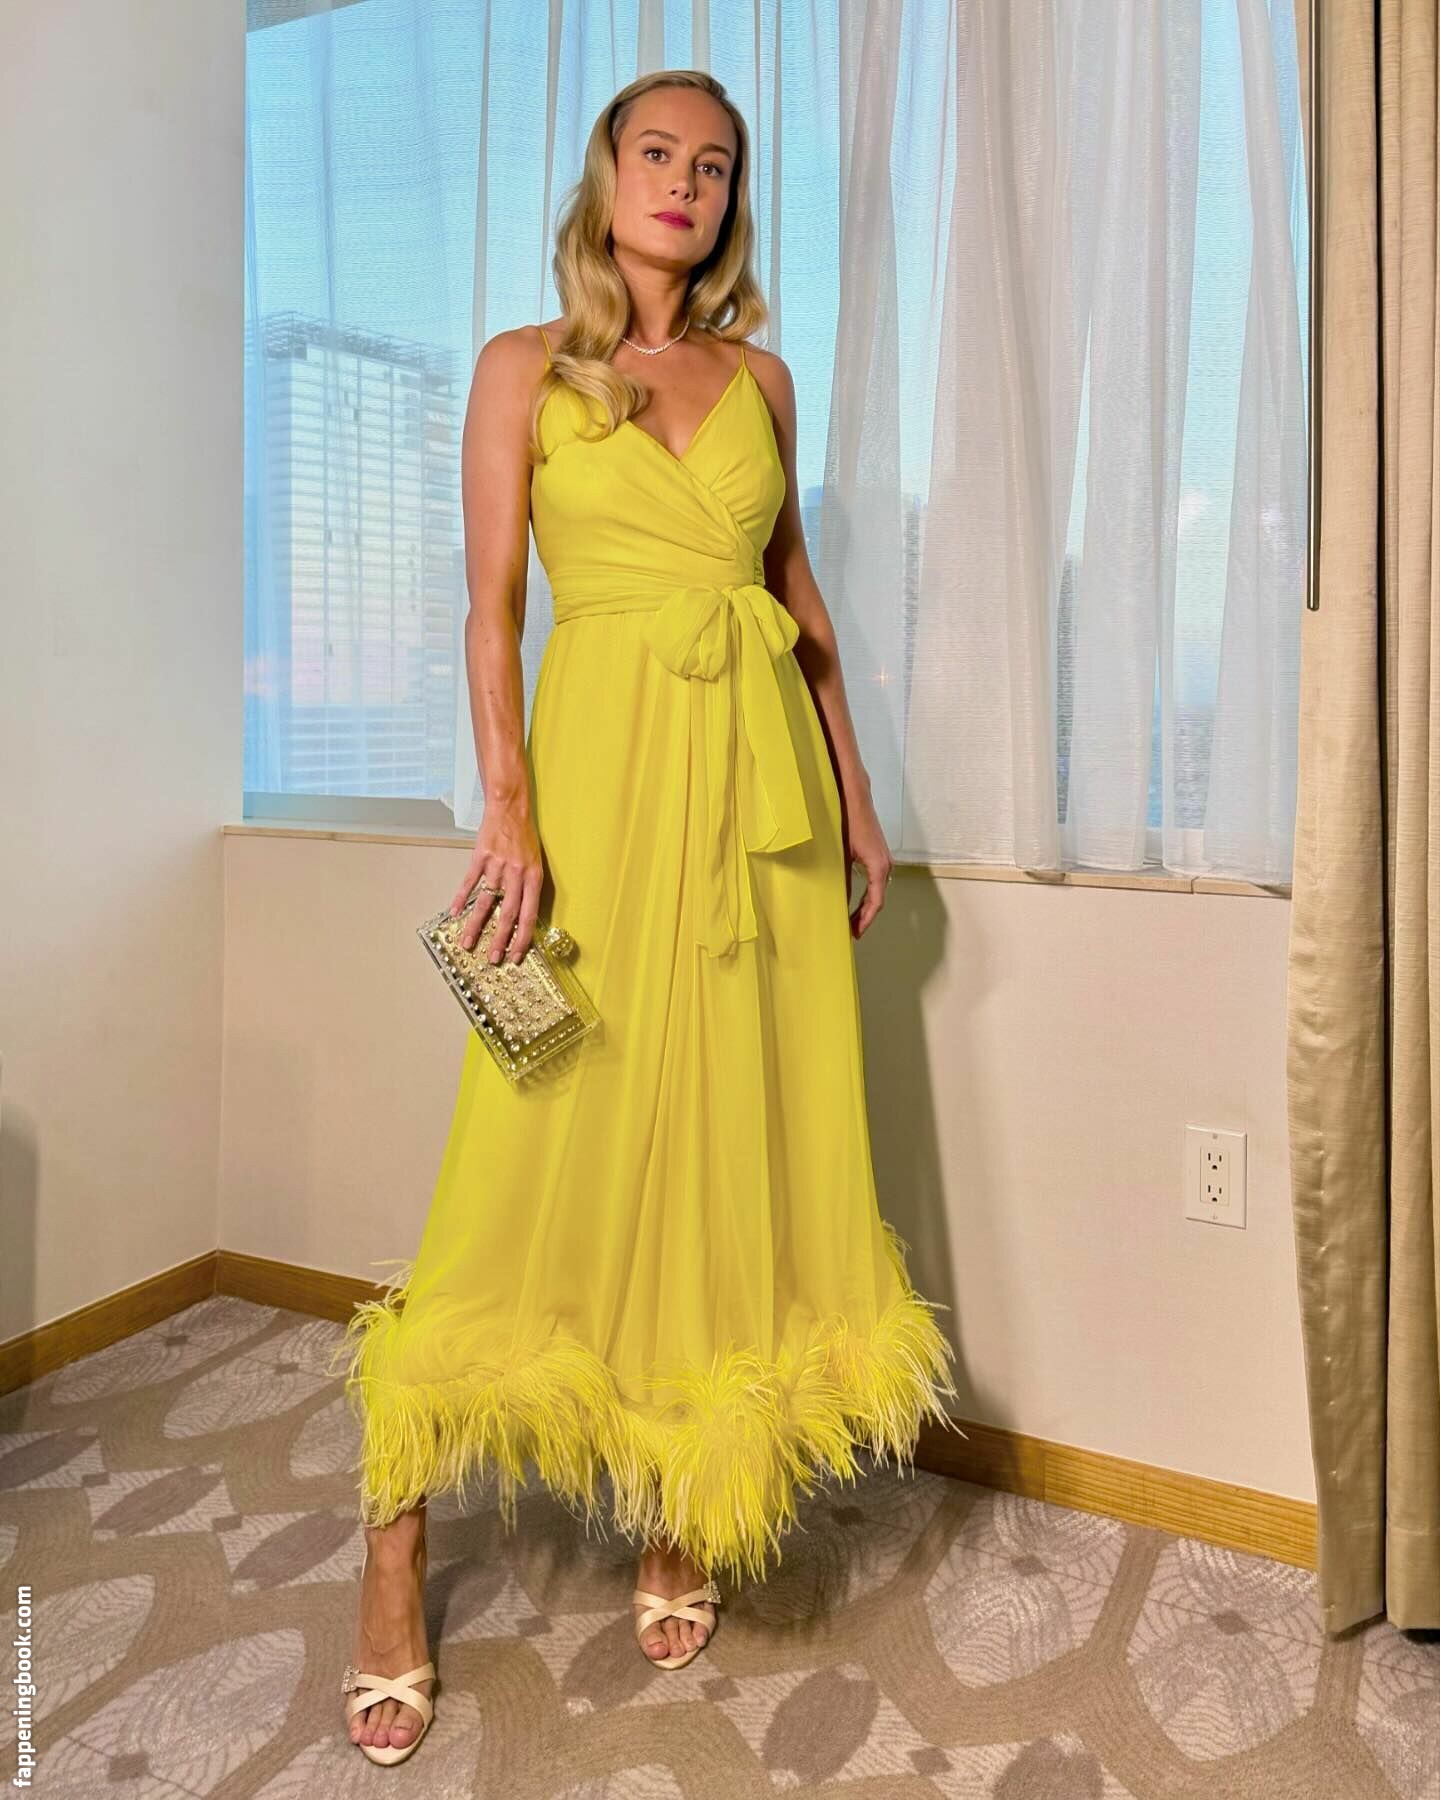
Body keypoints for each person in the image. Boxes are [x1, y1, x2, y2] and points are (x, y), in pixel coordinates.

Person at [332, 67, 959, 1766]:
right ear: (606, 175)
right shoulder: (523, 368)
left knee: (724, 1142)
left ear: (734, 199)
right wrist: (510, 806)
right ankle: (392, 1546)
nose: (686, 182)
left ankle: (681, 1495)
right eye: (658, 152)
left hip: (760, 807)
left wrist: (858, 796)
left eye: (717, 165)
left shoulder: (762, 377)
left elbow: (798, 604)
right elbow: (490, 610)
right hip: (600, 791)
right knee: (534, 1137)